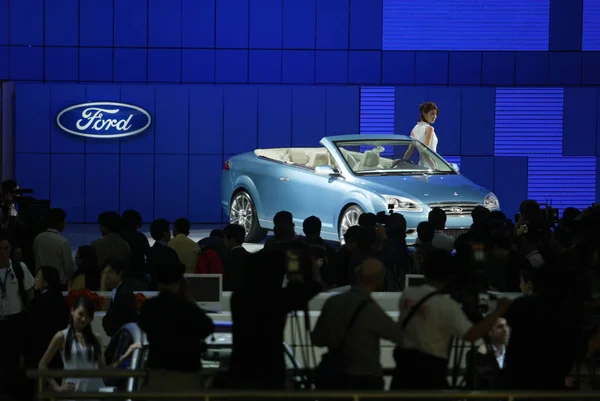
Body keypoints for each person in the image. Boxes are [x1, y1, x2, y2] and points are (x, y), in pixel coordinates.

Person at [38, 296, 140, 393]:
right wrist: (57, 388)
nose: (84, 319)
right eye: (81, 314)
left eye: (88, 316)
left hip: (95, 391)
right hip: (74, 392)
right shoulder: (61, 336)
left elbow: (104, 370)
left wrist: (126, 354)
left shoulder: (96, 339)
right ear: (72, 311)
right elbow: (42, 365)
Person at [403, 102, 440, 169]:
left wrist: (403, 161)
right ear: (424, 113)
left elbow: (409, 151)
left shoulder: (414, 129)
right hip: (431, 165)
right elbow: (425, 150)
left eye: (436, 114)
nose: (434, 116)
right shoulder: (429, 129)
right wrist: (434, 167)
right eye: (432, 114)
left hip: (421, 165)